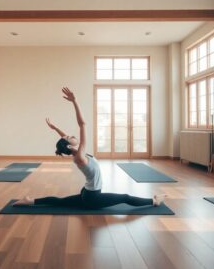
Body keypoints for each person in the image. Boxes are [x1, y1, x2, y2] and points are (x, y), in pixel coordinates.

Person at [13, 87, 166, 209]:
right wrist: (75, 101)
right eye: (69, 137)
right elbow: (82, 124)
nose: (71, 135)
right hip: (93, 197)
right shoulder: (79, 156)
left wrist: (55, 129)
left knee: (60, 201)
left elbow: (64, 136)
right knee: (124, 197)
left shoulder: (76, 151)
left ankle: (30, 201)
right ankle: (154, 201)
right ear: (68, 144)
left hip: (87, 192)